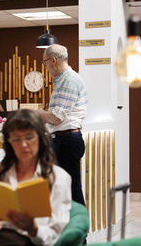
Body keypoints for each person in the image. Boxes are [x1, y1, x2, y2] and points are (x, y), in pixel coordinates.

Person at [0, 109, 72, 246]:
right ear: (9, 143)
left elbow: (57, 235)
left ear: (40, 138)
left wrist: (34, 229)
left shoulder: (57, 177)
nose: (23, 145)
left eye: (29, 137)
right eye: (16, 139)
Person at [38, 44, 88, 207]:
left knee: (71, 190)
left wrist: (35, 114)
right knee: (62, 189)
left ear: (53, 60)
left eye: (44, 63)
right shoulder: (62, 79)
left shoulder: (68, 80)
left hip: (67, 141)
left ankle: (79, 231)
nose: (45, 67)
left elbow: (55, 118)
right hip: (63, 139)